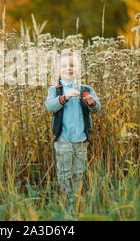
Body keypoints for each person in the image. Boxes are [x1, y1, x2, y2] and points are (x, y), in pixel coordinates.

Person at [44, 51, 101, 216]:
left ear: (80, 69)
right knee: (64, 172)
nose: (68, 68)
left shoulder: (86, 89)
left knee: (79, 172)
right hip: (63, 139)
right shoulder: (55, 89)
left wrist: (91, 102)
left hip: (81, 139)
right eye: (64, 66)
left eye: (72, 65)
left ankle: (77, 203)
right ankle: (66, 204)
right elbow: (50, 106)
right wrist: (65, 97)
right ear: (57, 71)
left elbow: (96, 107)